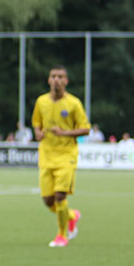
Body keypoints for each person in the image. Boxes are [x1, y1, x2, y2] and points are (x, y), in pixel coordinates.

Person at [32, 65, 89, 248]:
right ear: (49, 80)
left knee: (59, 196)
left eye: (60, 77)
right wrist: (38, 133)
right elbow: (36, 123)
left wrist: (64, 133)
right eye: (53, 76)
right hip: (46, 155)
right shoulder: (41, 101)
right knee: (48, 200)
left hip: (66, 155)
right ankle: (72, 216)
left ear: (66, 81)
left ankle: (62, 235)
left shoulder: (73, 103)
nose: (56, 79)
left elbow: (85, 129)